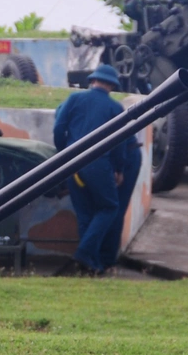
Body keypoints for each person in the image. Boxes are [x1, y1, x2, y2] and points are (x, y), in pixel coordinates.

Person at [54, 64, 128, 274]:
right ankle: (85, 253)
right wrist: (119, 169)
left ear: (92, 81)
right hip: (98, 164)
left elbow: (59, 128)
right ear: (112, 85)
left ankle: (91, 265)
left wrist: (64, 152)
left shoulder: (74, 99)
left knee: (85, 213)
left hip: (72, 163)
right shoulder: (115, 108)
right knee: (109, 207)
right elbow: (120, 144)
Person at [100, 135, 142, 270]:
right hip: (108, 156)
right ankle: (103, 256)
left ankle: (107, 258)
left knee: (114, 208)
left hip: (123, 154)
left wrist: (119, 168)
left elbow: (120, 137)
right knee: (111, 208)